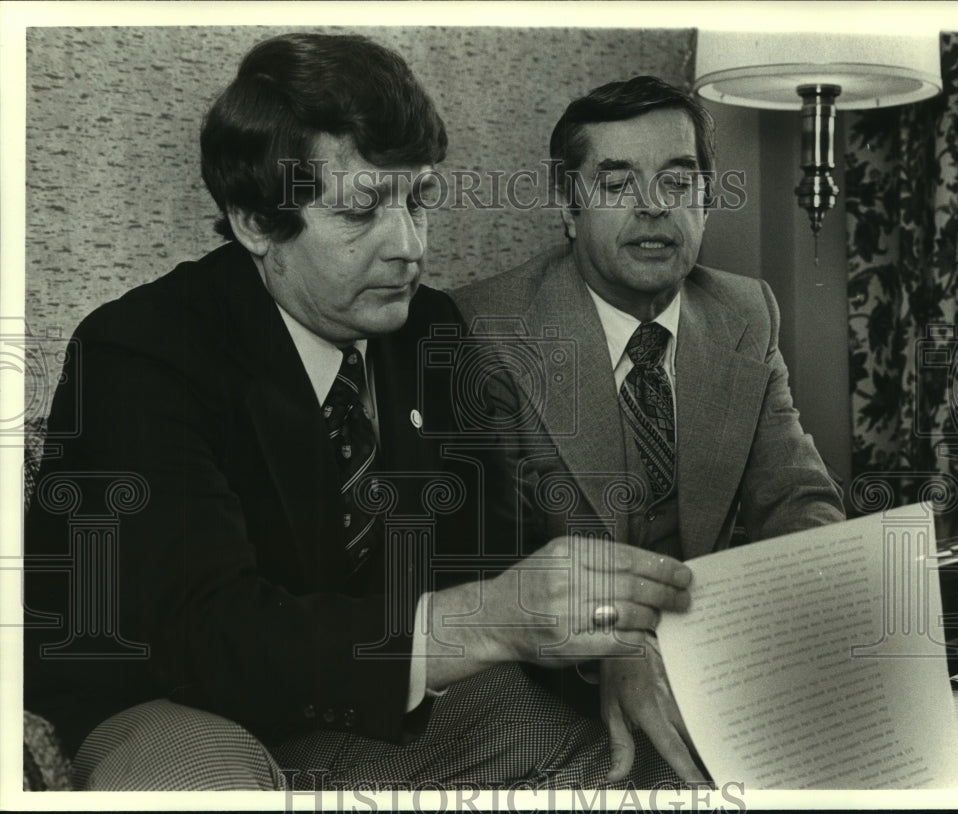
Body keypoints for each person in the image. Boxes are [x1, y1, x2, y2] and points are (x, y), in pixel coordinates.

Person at [23, 34, 696, 792]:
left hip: (369, 702)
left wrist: (608, 642)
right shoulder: (138, 351)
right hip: (168, 701)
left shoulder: (430, 330)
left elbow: (500, 545)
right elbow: (202, 634)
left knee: (634, 764)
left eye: (418, 201)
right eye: (362, 210)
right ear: (253, 221)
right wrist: (485, 620)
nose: (408, 246)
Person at [452, 76, 846, 784]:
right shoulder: (486, 331)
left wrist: (814, 608)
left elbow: (796, 499)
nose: (653, 208)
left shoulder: (744, 311)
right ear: (567, 205)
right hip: (556, 678)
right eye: (616, 183)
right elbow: (490, 559)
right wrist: (614, 644)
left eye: (677, 179)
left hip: (716, 657)